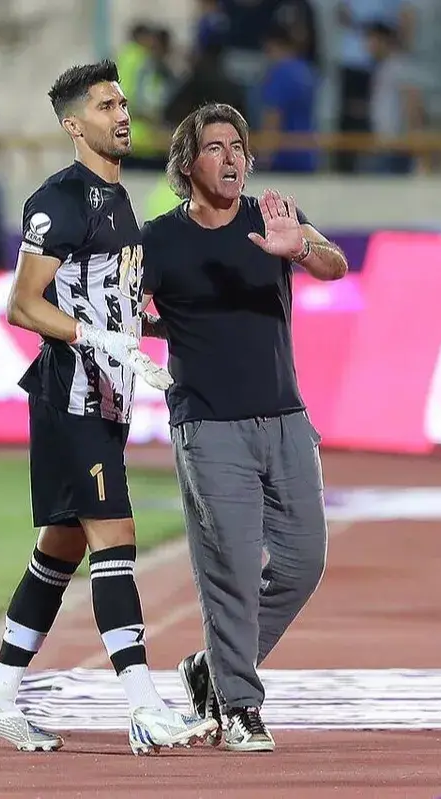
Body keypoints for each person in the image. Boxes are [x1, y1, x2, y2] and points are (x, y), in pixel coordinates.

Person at [0, 60, 218, 756]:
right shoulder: (62, 200)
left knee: (60, 549)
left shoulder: (118, 198)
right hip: (70, 397)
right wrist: (101, 338)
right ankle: (144, 707)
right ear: (74, 125)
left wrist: (153, 328)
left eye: (123, 102)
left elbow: (111, 299)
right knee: (115, 539)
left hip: (107, 398)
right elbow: (23, 304)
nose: (123, 114)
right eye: (106, 106)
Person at [139, 102, 348, 753]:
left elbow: (335, 264)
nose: (231, 158)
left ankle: (212, 667)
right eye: (215, 147)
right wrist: (160, 324)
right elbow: (121, 307)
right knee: (229, 567)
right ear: (187, 164)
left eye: (238, 147)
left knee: (304, 561)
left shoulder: (273, 216)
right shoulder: (159, 238)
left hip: (285, 417)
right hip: (208, 424)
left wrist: (301, 247)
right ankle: (239, 704)